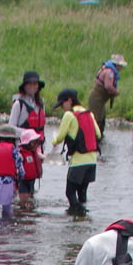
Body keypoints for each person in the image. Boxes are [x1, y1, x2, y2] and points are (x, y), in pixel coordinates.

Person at [50, 87, 101, 216]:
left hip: (78, 161)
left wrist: (54, 141)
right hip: (92, 161)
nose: (62, 107)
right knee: (82, 193)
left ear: (69, 101)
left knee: (70, 193)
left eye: (62, 104)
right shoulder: (89, 113)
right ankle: (83, 218)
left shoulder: (69, 115)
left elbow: (60, 137)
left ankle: (79, 216)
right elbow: (98, 134)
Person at [10, 71, 46, 195]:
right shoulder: (18, 104)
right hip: (22, 150)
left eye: (35, 84)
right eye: (29, 84)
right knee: (22, 181)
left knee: (33, 178)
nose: (32, 86)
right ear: (24, 86)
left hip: (37, 149)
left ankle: (29, 206)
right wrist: (28, 134)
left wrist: (41, 146)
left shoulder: (41, 103)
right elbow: (10, 129)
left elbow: (42, 128)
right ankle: (22, 208)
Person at [88, 55, 121, 133]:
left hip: (100, 99)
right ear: (117, 65)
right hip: (97, 99)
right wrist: (116, 91)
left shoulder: (107, 70)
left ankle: (99, 138)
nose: (121, 68)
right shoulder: (110, 72)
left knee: (102, 120)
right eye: (121, 66)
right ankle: (95, 139)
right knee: (97, 120)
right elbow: (108, 86)